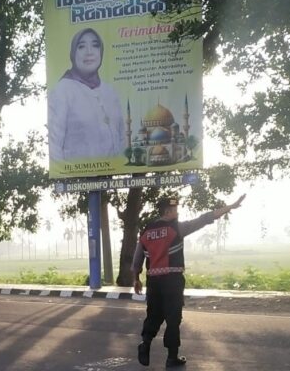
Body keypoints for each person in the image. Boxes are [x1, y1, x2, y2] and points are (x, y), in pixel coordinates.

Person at [132, 194, 246, 368]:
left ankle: (145, 343)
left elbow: (137, 258)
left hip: (153, 281)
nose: (177, 212)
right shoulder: (177, 227)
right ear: (168, 211)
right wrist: (229, 207)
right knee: (173, 318)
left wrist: (136, 279)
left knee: (154, 314)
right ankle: (172, 357)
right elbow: (204, 219)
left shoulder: (146, 231)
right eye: (175, 209)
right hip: (172, 280)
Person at [48, 28, 125, 162]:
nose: (89, 52)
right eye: (81, 46)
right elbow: (54, 144)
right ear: (73, 53)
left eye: (95, 45)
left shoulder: (110, 92)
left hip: (111, 179)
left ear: (101, 52)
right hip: (78, 180)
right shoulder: (63, 90)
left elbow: (122, 138)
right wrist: (66, 178)